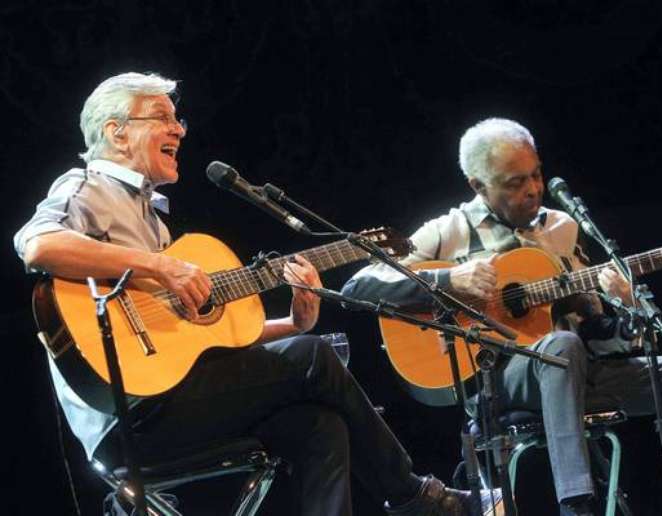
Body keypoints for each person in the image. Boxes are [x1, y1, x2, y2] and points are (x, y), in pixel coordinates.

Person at [13, 72, 503, 516]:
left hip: (170, 398)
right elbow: (37, 244)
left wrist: (294, 322)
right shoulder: (87, 186)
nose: (180, 130)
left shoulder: (150, 216)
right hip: (127, 416)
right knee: (313, 359)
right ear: (117, 132)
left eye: (177, 118)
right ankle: (417, 498)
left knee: (318, 425)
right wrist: (159, 264)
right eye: (162, 117)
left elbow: (195, 343)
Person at [342, 117, 662, 515]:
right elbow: (357, 288)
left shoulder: (560, 229)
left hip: (578, 372)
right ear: (478, 185)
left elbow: (598, 336)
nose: (533, 189)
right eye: (515, 182)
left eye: (536, 175)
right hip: (502, 384)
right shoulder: (448, 230)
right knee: (560, 347)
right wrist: (451, 279)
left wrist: (626, 309)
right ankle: (577, 505)